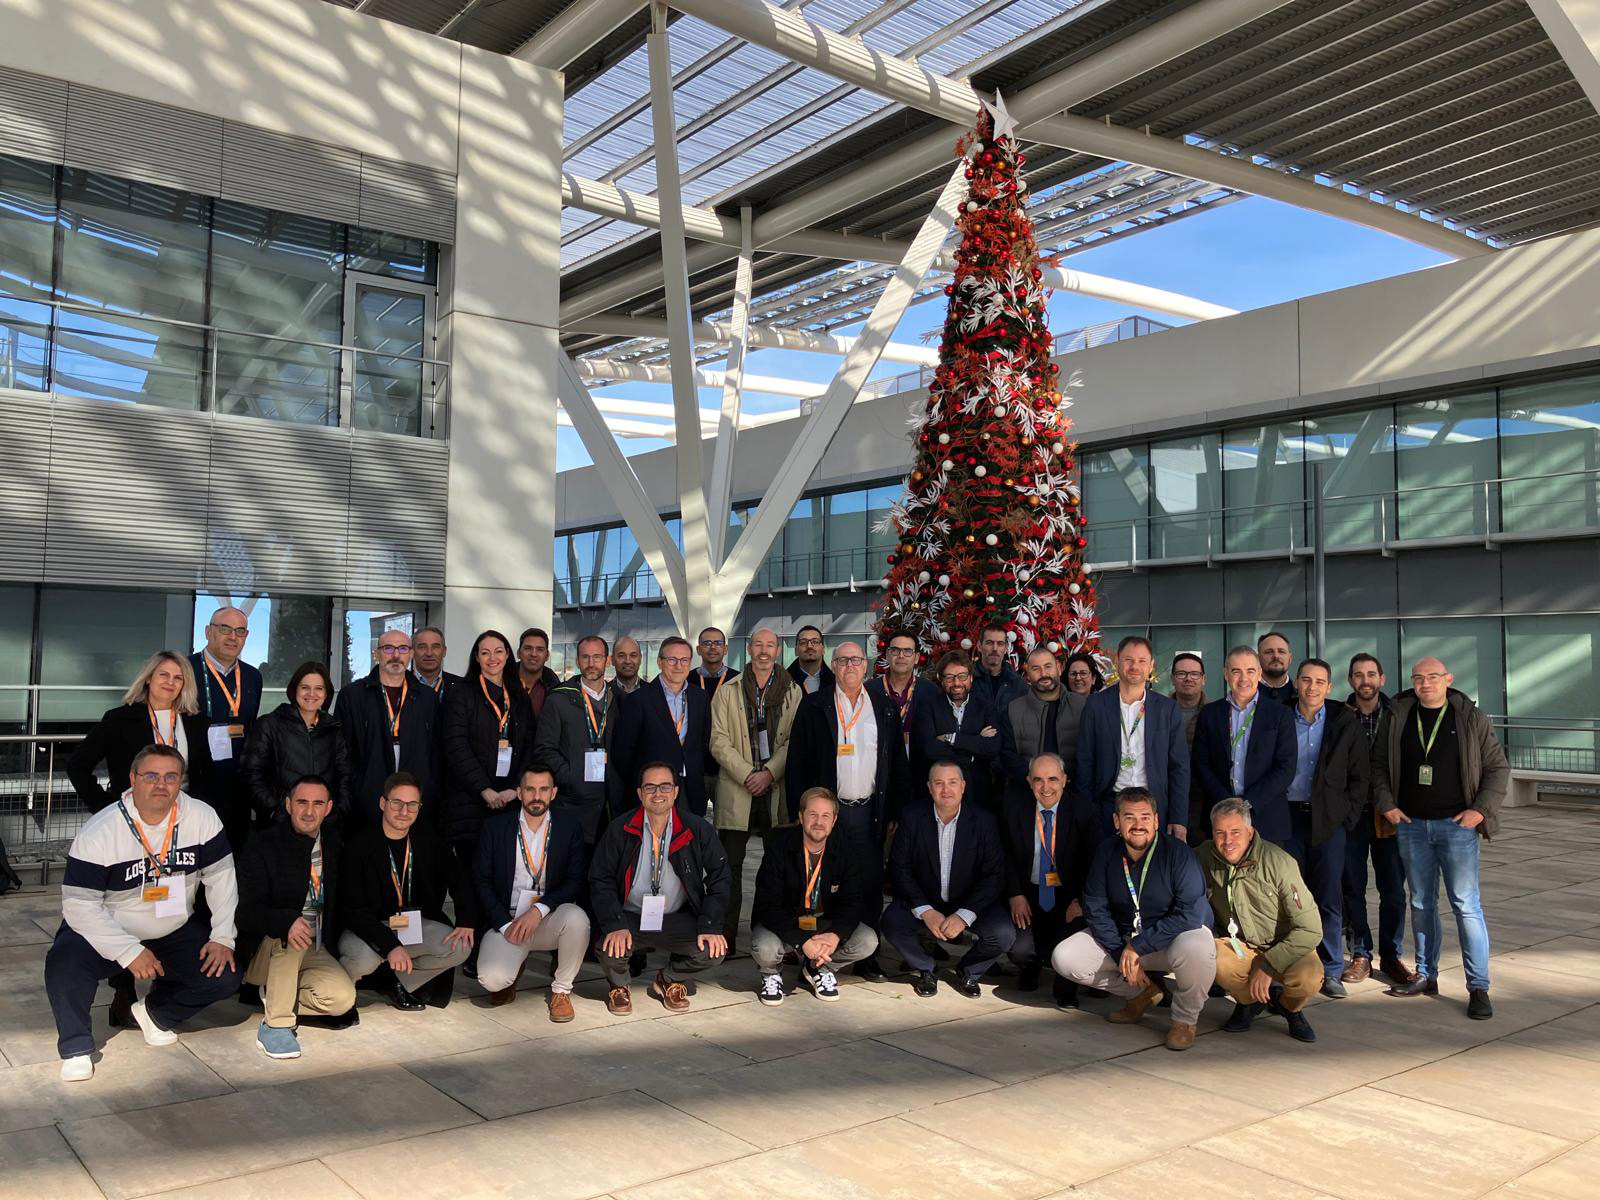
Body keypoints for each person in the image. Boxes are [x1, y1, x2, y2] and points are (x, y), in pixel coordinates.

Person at [46, 744, 239, 1081]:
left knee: (224, 974)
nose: (160, 784)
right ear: (132, 779)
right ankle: (76, 1046)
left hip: (174, 925)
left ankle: (154, 1013)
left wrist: (223, 935)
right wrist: (128, 952)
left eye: (170, 776)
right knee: (64, 963)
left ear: (181, 781)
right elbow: (79, 906)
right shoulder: (101, 831)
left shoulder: (202, 817)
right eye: (151, 776)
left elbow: (222, 879)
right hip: (111, 928)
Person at [1374, 658, 1505, 1020]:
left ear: (1448, 679)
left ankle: (1478, 986)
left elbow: (1497, 767)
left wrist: (1480, 810)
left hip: (1456, 827)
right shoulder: (1398, 715)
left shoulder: (1469, 718)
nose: (1425, 684)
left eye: (1433, 677)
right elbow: (1379, 765)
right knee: (1420, 903)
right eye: (1418, 678)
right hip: (1412, 826)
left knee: (1466, 905)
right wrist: (1386, 804)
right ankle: (1425, 975)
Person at [1054, 788, 1215, 1050]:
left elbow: (1191, 914)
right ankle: (1142, 993)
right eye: (1129, 817)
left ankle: (1185, 1020)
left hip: (1172, 941)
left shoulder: (1179, 854)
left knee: (1199, 945)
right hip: (1127, 940)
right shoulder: (1106, 852)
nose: (1138, 825)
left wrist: (1138, 947)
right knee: (1065, 957)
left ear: (1156, 820)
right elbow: (1096, 907)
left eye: (1145, 817)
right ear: (1117, 821)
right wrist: (1121, 953)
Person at [786, 642, 909, 982]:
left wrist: (894, 810)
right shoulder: (815, 705)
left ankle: (867, 956)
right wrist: (799, 810)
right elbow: (797, 761)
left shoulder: (883, 708)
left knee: (868, 883)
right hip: (828, 814)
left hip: (869, 811)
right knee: (822, 880)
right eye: (842, 660)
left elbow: (897, 762)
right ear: (834, 666)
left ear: (866, 666)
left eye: (856, 660)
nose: (850, 666)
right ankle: (813, 948)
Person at [589, 763, 730, 1014]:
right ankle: (619, 986)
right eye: (650, 787)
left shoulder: (697, 829)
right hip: (631, 917)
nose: (658, 793)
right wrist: (614, 923)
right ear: (640, 793)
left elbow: (720, 877)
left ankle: (669, 979)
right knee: (608, 945)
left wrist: (711, 925)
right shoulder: (619, 829)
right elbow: (600, 879)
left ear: (675, 791)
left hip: (676, 918)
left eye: (665, 786)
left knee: (714, 949)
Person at [235, 774, 358, 1060]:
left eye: (318, 803)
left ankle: (274, 991)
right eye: (302, 802)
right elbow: (244, 912)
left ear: (328, 808)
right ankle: (276, 1024)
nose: (309, 811)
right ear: (288, 804)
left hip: (315, 946)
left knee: (341, 999)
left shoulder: (333, 842)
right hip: (268, 947)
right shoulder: (263, 844)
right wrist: (285, 920)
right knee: (294, 928)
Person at [339, 772, 475, 1009]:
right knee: (363, 959)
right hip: (366, 927)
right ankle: (343, 999)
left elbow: (458, 877)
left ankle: (398, 982)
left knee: (460, 945)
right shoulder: (358, 844)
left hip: (408, 924)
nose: (404, 811)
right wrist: (391, 946)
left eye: (412, 804)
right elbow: (353, 910)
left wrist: (466, 919)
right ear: (383, 803)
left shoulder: (426, 838)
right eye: (397, 803)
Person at [883, 762, 1013, 997]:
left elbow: (994, 875)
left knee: (1003, 934)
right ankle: (926, 967)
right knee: (892, 922)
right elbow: (899, 868)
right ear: (929, 787)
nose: (946, 790)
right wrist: (925, 911)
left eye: (952, 782)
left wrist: (964, 915)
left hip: (968, 901)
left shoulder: (984, 821)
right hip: (926, 900)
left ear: (963, 786)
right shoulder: (912, 816)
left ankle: (968, 971)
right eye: (939, 783)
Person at [1198, 797, 1322, 1043]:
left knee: (1309, 978)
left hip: (1283, 943)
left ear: (1250, 831)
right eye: (1220, 833)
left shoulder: (1279, 862)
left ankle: (1290, 1008)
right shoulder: (1204, 855)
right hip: (1240, 943)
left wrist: (1268, 966)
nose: (1227, 841)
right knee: (1209, 955)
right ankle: (1248, 1002)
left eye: (1235, 832)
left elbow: (1311, 929)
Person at [472, 766, 591, 1020]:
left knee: (578, 919)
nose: (537, 796)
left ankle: (561, 991)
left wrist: (539, 909)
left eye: (543, 789)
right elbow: (481, 881)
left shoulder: (569, 828)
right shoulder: (495, 827)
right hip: (508, 918)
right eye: (530, 789)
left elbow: (575, 880)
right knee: (491, 980)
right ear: (519, 792)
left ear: (553, 793)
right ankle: (512, 971)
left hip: (548, 917)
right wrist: (505, 925)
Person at [710, 626, 802, 948]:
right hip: (739, 788)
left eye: (770, 645)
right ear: (749, 649)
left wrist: (769, 773)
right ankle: (727, 932)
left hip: (775, 789)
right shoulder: (728, 689)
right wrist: (750, 773)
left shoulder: (793, 691)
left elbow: (794, 740)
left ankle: (770, 928)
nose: (764, 650)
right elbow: (718, 741)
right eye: (758, 645)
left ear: (778, 650)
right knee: (730, 866)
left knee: (777, 865)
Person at [1282, 657, 1368, 999]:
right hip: (1286, 819)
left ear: (1329, 687)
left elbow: (1360, 778)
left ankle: (1331, 969)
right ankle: (1291, 966)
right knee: (1289, 896)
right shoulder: (1279, 716)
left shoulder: (1345, 721)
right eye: (1306, 680)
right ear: (1297, 683)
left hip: (1327, 821)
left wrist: (1345, 816)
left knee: (1328, 896)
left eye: (1319, 681)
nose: (1312, 687)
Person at [750, 786, 879, 1005]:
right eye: (813, 814)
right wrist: (802, 942)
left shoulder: (846, 850)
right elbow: (767, 905)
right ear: (800, 817)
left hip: (823, 923)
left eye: (825, 816)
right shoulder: (779, 847)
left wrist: (836, 935)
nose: (819, 822)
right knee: (765, 947)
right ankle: (771, 973)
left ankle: (819, 967)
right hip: (785, 922)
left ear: (834, 820)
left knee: (868, 940)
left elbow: (854, 901)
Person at [1000, 753, 1096, 1007]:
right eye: (1038, 780)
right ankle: (1031, 964)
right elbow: (1005, 855)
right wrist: (1015, 894)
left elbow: (1094, 864)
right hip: (1028, 894)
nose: (1046, 787)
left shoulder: (1084, 810)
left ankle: (1067, 986)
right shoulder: (1013, 807)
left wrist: (1081, 901)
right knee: (1020, 949)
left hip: (1069, 897)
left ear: (1065, 780)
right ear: (1029, 781)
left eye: (1053, 779)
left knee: (1072, 943)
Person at [1342, 653, 1414, 986]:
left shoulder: (1399, 714)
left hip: (1389, 816)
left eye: (1371, 674)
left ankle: (1391, 955)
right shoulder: (1338, 714)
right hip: (1352, 816)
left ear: (1382, 679)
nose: (1365, 680)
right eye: (1358, 675)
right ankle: (1361, 954)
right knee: (1352, 889)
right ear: (1350, 681)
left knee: (1394, 892)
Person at [443, 630, 536, 888]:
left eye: (498, 651)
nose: (492, 658)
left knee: (503, 875)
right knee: (473, 877)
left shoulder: (519, 695)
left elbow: (529, 745)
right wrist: (484, 790)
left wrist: (514, 788)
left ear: (508, 655)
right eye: (485, 652)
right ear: (476, 657)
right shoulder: (461, 693)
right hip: (470, 803)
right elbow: (455, 746)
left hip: (509, 800)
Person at [68, 651, 213, 815]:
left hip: (185, 816)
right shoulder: (119, 720)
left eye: (178, 678)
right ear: (149, 678)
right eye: (164, 674)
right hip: (133, 818)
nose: (170, 682)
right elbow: (77, 766)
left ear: (184, 684)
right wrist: (105, 808)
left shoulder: (197, 722)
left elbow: (206, 775)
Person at [1076, 637, 1189, 838]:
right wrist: (1087, 813)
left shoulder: (1167, 709)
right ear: (1117, 662)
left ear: (1151, 666)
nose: (1134, 666)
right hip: (1109, 806)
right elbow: (1085, 761)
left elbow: (1179, 767)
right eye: (1128, 660)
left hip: (1153, 807)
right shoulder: (1096, 706)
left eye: (1142, 661)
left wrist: (1178, 818)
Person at [1192, 646, 1296, 846]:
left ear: (1259, 673)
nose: (1243, 678)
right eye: (1236, 671)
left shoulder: (1280, 714)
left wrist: (1248, 803)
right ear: (1225, 674)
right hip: (1220, 815)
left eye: (1250, 671)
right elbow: (1200, 763)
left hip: (1266, 818)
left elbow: (1286, 767)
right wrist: (1227, 802)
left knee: (1266, 877)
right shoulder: (1209, 713)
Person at [338, 628, 442, 829]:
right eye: (388, 648)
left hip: (415, 800)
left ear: (411, 654)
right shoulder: (352, 696)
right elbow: (342, 751)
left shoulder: (427, 698)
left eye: (403, 649)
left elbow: (436, 751)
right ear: (376, 654)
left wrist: (431, 788)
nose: (396, 655)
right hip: (366, 800)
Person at [609, 636, 713, 818]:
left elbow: (702, 744)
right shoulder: (639, 700)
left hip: (691, 790)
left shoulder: (700, 698)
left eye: (684, 660)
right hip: (653, 792)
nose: (678, 666)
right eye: (671, 660)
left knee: (689, 844)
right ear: (659, 662)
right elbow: (623, 753)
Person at [242, 661, 353, 828]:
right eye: (305, 687)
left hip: (323, 826)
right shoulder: (270, 725)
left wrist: (335, 813)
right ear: (294, 690)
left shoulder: (334, 729)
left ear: (326, 693)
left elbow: (345, 776)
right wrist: (275, 812)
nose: (311, 694)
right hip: (279, 827)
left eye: (319, 688)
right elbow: (252, 775)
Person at [190, 605, 264, 850]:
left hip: (237, 788)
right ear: (208, 631)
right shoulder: (185, 671)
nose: (233, 637)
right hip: (195, 785)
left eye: (240, 631)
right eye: (225, 629)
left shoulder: (253, 677)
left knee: (233, 857)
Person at [534, 635, 620, 846]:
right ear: (578, 661)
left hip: (611, 804)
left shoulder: (619, 699)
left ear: (607, 661)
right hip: (573, 803)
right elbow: (544, 750)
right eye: (586, 657)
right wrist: (572, 777)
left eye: (597, 657)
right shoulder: (558, 699)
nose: (591, 663)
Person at [912, 650, 1001, 812]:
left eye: (962, 676)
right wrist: (973, 750)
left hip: (978, 793)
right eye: (949, 677)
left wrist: (951, 738)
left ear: (971, 678)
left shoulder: (985, 706)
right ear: (941, 679)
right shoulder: (927, 706)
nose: (957, 683)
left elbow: (992, 747)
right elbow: (929, 749)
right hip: (938, 795)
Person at [999, 647, 1087, 807]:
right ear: (1028, 675)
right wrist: (1037, 780)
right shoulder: (1013, 710)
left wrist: (1062, 779)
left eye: (1048, 666)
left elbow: (1090, 753)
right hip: (1024, 795)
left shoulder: (1082, 706)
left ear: (1059, 668)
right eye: (1036, 668)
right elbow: (1006, 754)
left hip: (1072, 794)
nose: (1043, 674)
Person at [867, 630, 938, 757]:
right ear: (888, 655)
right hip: (879, 766)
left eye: (907, 651)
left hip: (919, 766)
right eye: (895, 650)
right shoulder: (869, 690)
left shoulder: (931, 691)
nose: (901, 656)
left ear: (916, 658)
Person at [1170, 652, 1209, 843]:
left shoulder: (1215, 713)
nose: (1188, 679)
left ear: (1203, 679)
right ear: (1172, 679)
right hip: (1168, 797)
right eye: (1181, 674)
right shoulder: (1157, 711)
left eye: (1194, 674)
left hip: (1204, 799)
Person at [971, 623, 1026, 711]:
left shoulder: (1018, 684)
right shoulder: (966, 680)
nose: (995, 648)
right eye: (989, 643)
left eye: (1000, 644)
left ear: (1005, 648)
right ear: (979, 646)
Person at [516, 627, 561, 721]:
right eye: (528, 648)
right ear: (518, 653)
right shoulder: (500, 683)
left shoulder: (557, 690)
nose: (533, 654)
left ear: (547, 656)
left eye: (540, 649)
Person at [411, 626, 461, 703]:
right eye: (422, 647)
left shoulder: (460, 686)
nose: (429, 653)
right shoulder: (400, 684)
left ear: (444, 651)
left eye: (435, 647)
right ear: (412, 652)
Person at [693, 627, 739, 699]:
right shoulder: (686, 680)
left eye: (718, 643)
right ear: (698, 650)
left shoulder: (737, 679)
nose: (713, 647)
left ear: (725, 649)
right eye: (707, 643)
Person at [789, 625, 834, 694]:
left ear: (823, 650)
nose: (809, 646)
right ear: (796, 651)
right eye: (803, 642)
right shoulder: (781, 682)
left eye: (815, 642)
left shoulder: (837, 682)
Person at [1257, 631, 1296, 706]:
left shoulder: (1302, 696)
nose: (1276, 656)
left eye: (1281, 651)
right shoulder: (1246, 696)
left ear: (1290, 659)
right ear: (1258, 658)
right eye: (1269, 652)